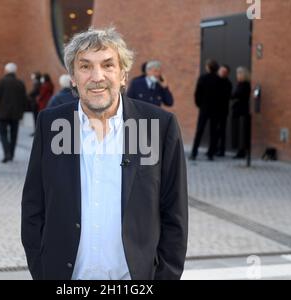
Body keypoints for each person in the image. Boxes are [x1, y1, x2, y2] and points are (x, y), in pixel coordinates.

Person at [22, 27, 188, 280]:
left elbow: (174, 213)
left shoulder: (157, 126)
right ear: (73, 78)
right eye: (85, 66)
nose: (97, 77)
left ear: (123, 74)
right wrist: (42, 271)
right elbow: (34, 207)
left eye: (108, 65)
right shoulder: (52, 124)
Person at [190, 59, 222, 161]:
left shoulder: (203, 78)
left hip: (204, 108)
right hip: (216, 109)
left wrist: (199, 104)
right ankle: (210, 154)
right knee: (214, 131)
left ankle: (194, 153)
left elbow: (197, 93)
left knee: (199, 130)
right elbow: (222, 96)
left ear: (208, 67)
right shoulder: (219, 80)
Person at [0, 63, 27, 163]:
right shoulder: (20, 83)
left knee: (3, 133)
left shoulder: (1, 82)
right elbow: (24, 99)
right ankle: (11, 154)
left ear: (6, 71)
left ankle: (7, 153)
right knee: (14, 135)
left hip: (3, 113)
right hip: (16, 114)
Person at [231, 67, 252, 159]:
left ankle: (242, 151)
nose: (238, 76)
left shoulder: (245, 85)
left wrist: (233, 96)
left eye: (240, 74)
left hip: (242, 111)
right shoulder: (239, 84)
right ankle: (240, 150)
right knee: (238, 131)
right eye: (237, 74)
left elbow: (237, 95)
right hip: (237, 111)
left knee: (242, 132)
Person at [216, 65, 233, 157]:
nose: (222, 73)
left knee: (222, 130)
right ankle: (214, 148)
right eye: (221, 71)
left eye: (224, 72)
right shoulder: (215, 81)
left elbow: (227, 96)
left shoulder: (228, 83)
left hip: (223, 110)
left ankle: (221, 150)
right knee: (214, 130)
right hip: (214, 110)